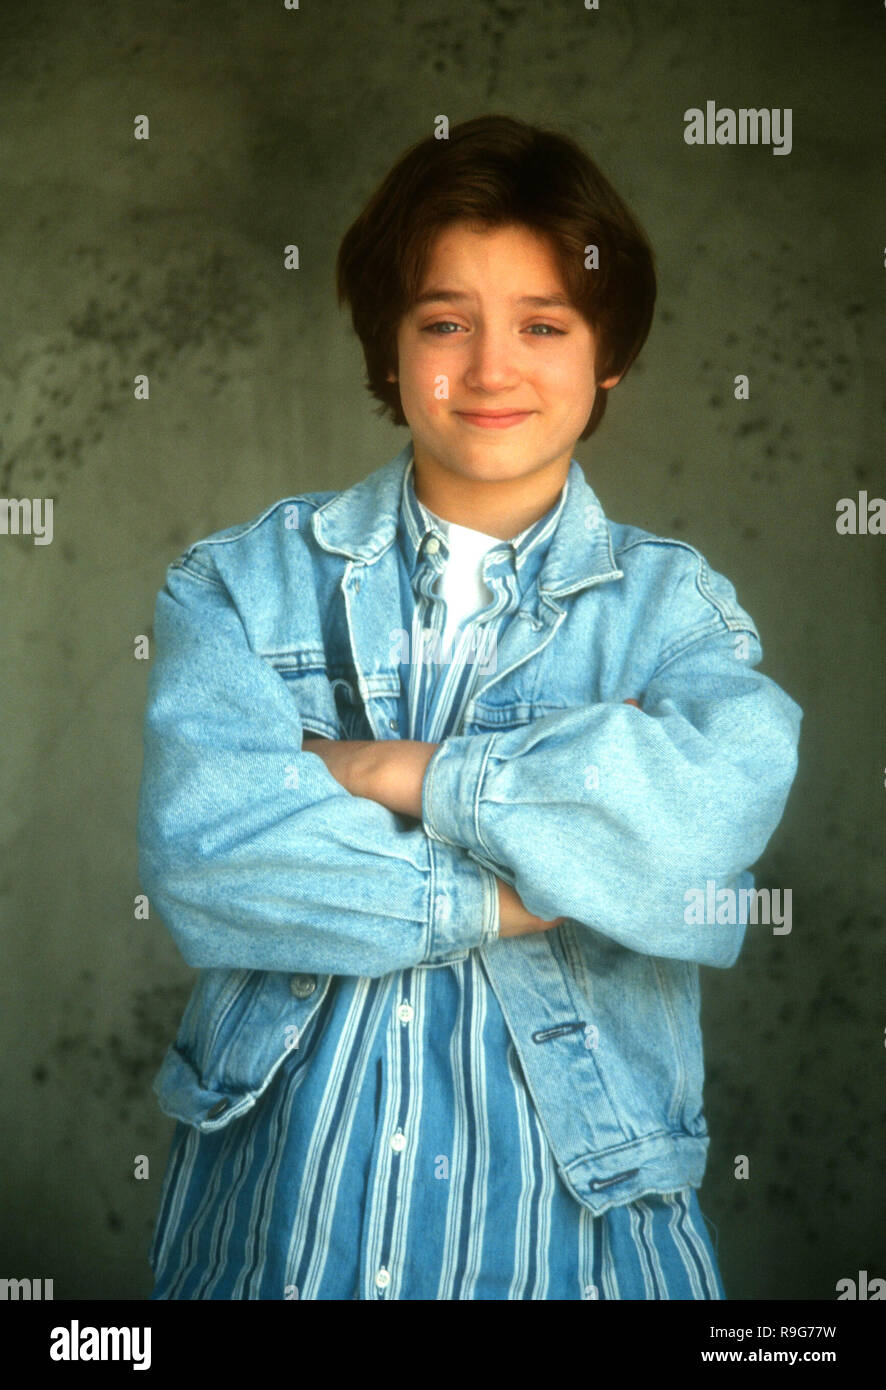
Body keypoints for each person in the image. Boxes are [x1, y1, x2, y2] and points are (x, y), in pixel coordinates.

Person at [137, 113, 802, 1300]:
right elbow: (211, 856)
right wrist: (525, 885)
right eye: (444, 322)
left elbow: (700, 830)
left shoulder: (673, 609)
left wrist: (411, 775)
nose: (491, 370)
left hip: (576, 1242)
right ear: (388, 350)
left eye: (542, 326)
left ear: (609, 357)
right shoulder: (236, 585)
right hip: (282, 1231)